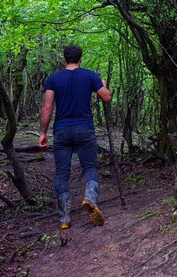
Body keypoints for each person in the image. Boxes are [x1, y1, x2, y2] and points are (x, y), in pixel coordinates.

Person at [39, 44, 112, 229]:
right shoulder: (90, 75)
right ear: (81, 59)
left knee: (62, 173)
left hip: (62, 131)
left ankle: (64, 219)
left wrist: (43, 133)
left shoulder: (53, 79)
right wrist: (102, 84)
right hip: (84, 130)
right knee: (90, 167)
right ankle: (90, 198)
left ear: (64, 59)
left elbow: (47, 107)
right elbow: (107, 97)